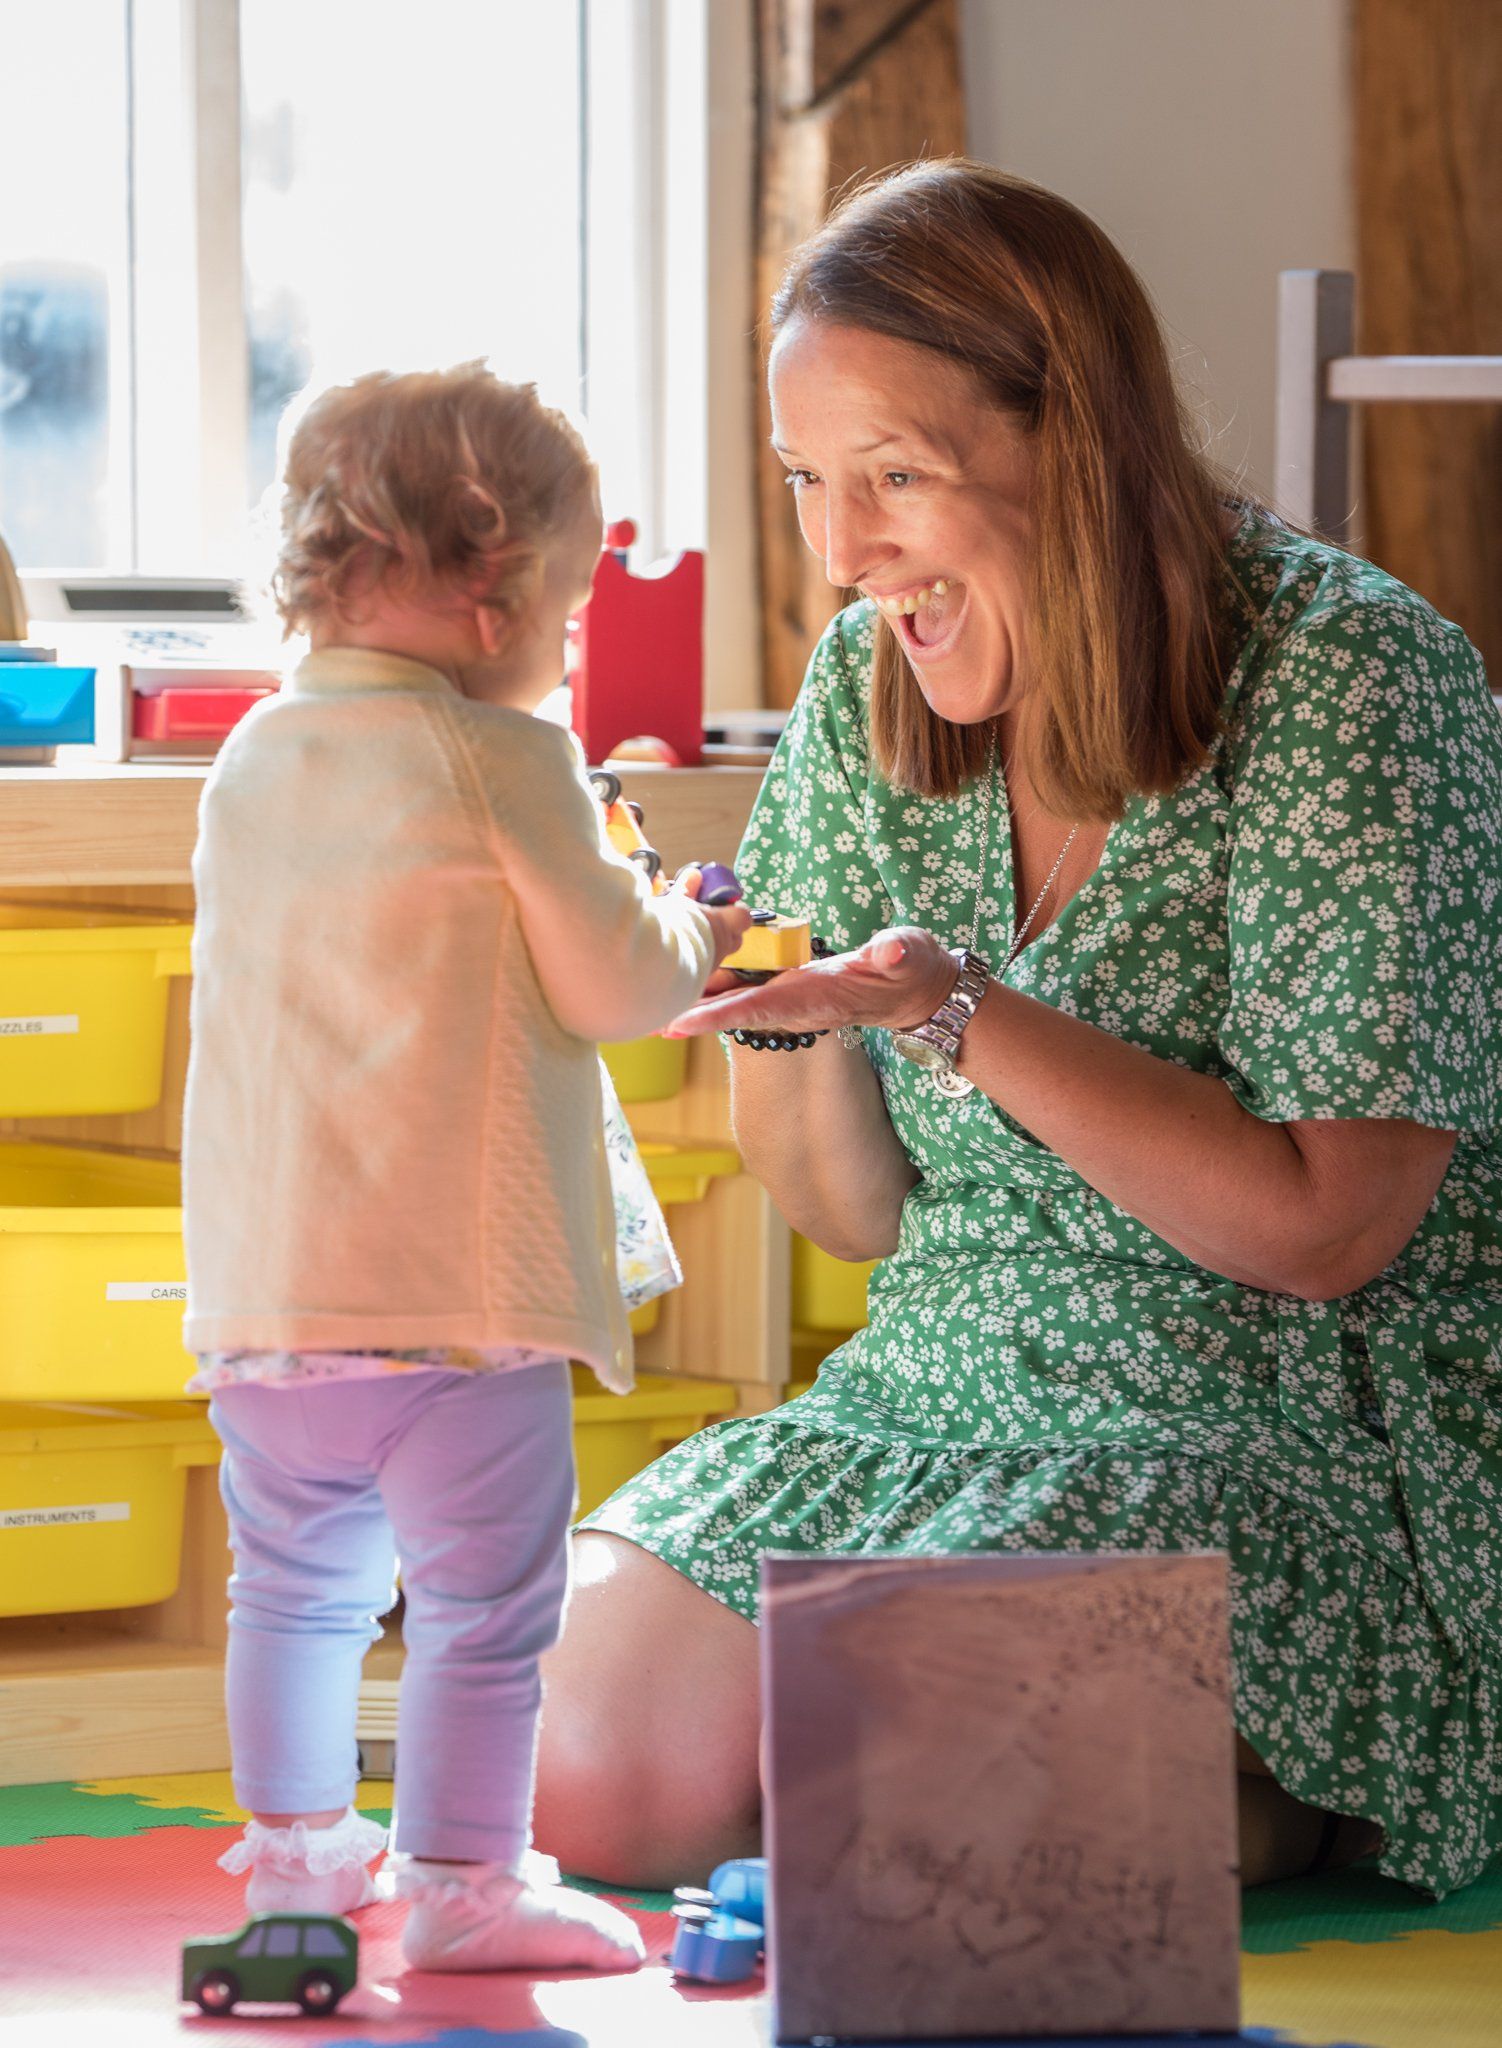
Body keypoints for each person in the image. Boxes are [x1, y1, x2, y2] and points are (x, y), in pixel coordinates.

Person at [533, 161, 1502, 1899]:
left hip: (1272, 1420)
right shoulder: (863, 676)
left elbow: (1324, 1233)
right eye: (808, 484)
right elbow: (850, 1214)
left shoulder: (1353, 676)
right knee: (585, 1788)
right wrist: (777, 1011)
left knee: (931, 1821)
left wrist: (956, 1009)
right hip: (939, 1384)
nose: (843, 552)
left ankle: (1320, 1776)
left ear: (1076, 440)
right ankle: (1041, 1765)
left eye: (894, 476)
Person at [180, 363, 749, 1971]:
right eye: (569, 613)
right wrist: (694, 920)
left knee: (292, 1591)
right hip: (459, 1303)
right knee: (486, 1609)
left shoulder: (253, 760)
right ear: (495, 589)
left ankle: (296, 1861)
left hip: (271, 1294)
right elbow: (623, 990)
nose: (565, 648)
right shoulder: (503, 759)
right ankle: (461, 1884)